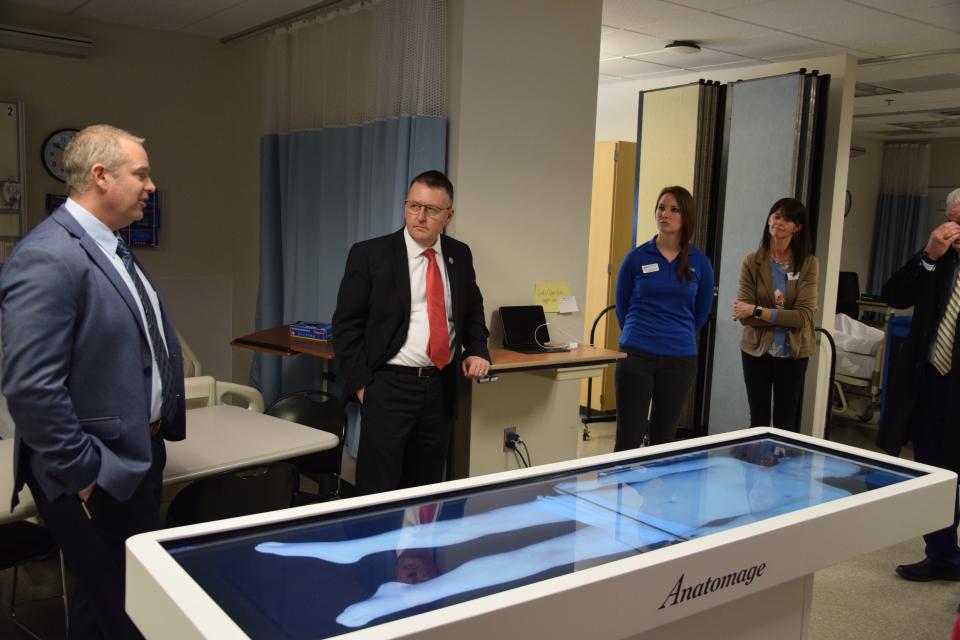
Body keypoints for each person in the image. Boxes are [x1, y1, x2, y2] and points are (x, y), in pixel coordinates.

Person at [0, 125, 185, 639]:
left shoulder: (112, 248)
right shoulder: (50, 255)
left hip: (132, 458)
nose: (151, 186)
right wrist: (83, 473)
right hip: (94, 469)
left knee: (113, 602)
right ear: (100, 176)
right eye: (141, 174)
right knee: (120, 609)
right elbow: (32, 387)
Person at [332, 170, 490, 495]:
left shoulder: (459, 255)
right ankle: (375, 548)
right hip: (388, 387)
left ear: (449, 215)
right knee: (379, 489)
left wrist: (477, 349)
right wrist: (363, 387)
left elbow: (472, 311)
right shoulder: (370, 255)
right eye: (413, 205)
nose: (420, 216)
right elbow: (346, 326)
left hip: (440, 386)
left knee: (426, 489)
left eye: (431, 209)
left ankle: (419, 547)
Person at [880, 187, 960, 582]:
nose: (955, 229)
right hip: (931, 379)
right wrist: (929, 255)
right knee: (932, 470)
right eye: (952, 220)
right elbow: (893, 292)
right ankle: (943, 555)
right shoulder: (937, 258)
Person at [613, 185, 714, 449]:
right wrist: (641, 332)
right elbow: (622, 306)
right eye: (661, 207)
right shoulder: (636, 258)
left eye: (674, 209)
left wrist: (675, 333)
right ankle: (618, 489)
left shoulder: (700, 262)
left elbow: (701, 311)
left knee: (664, 439)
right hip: (637, 354)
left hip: (679, 358)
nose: (665, 214)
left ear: (686, 217)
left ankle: (656, 491)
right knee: (628, 437)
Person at [732, 198, 818, 431]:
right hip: (756, 350)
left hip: (794, 352)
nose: (779, 222)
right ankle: (755, 467)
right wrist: (775, 315)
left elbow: (802, 318)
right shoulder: (752, 262)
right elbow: (743, 316)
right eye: (776, 216)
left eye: (787, 218)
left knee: (785, 423)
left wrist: (758, 310)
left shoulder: (808, 264)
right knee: (758, 420)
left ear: (797, 227)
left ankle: (782, 466)